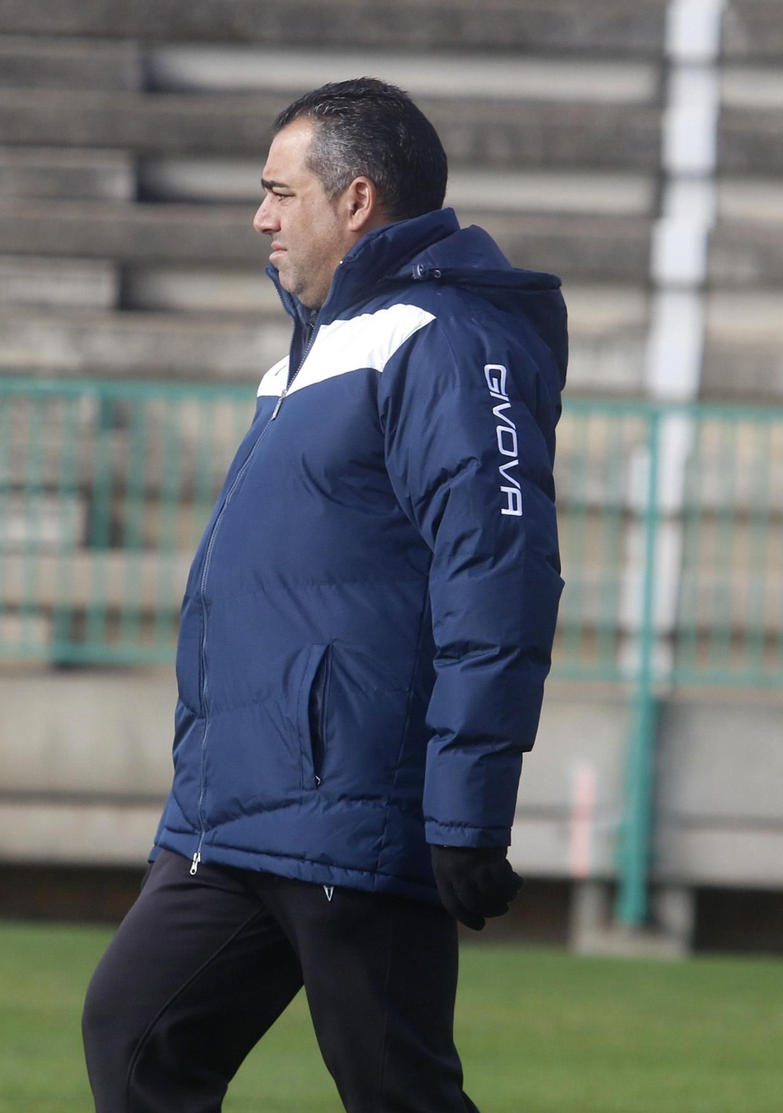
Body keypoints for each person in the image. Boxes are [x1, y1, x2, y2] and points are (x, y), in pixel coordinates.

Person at [81, 78, 566, 1112]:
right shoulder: (302, 359)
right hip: (231, 813)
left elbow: (499, 574)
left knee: (395, 1092)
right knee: (133, 1038)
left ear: (355, 201)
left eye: (278, 192)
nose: (259, 217)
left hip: (354, 810)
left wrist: (467, 810)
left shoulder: (444, 339)